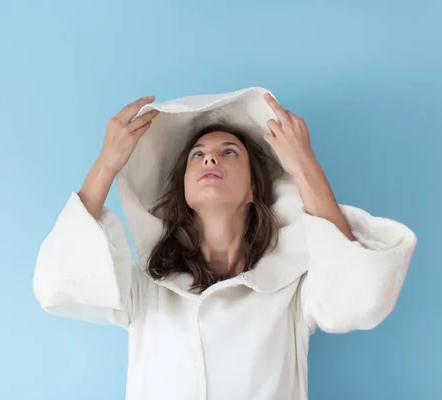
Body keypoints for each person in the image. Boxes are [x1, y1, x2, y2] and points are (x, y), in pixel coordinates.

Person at [32, 87, 417, 400]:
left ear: (253, 189)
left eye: (228, 152)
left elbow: (361, 297)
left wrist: (304, 164)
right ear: (183, 190)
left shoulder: (290, 292)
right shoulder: (147, 290)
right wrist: (106, 164)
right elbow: (58, 284)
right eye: (197, 155)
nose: (209, 159)